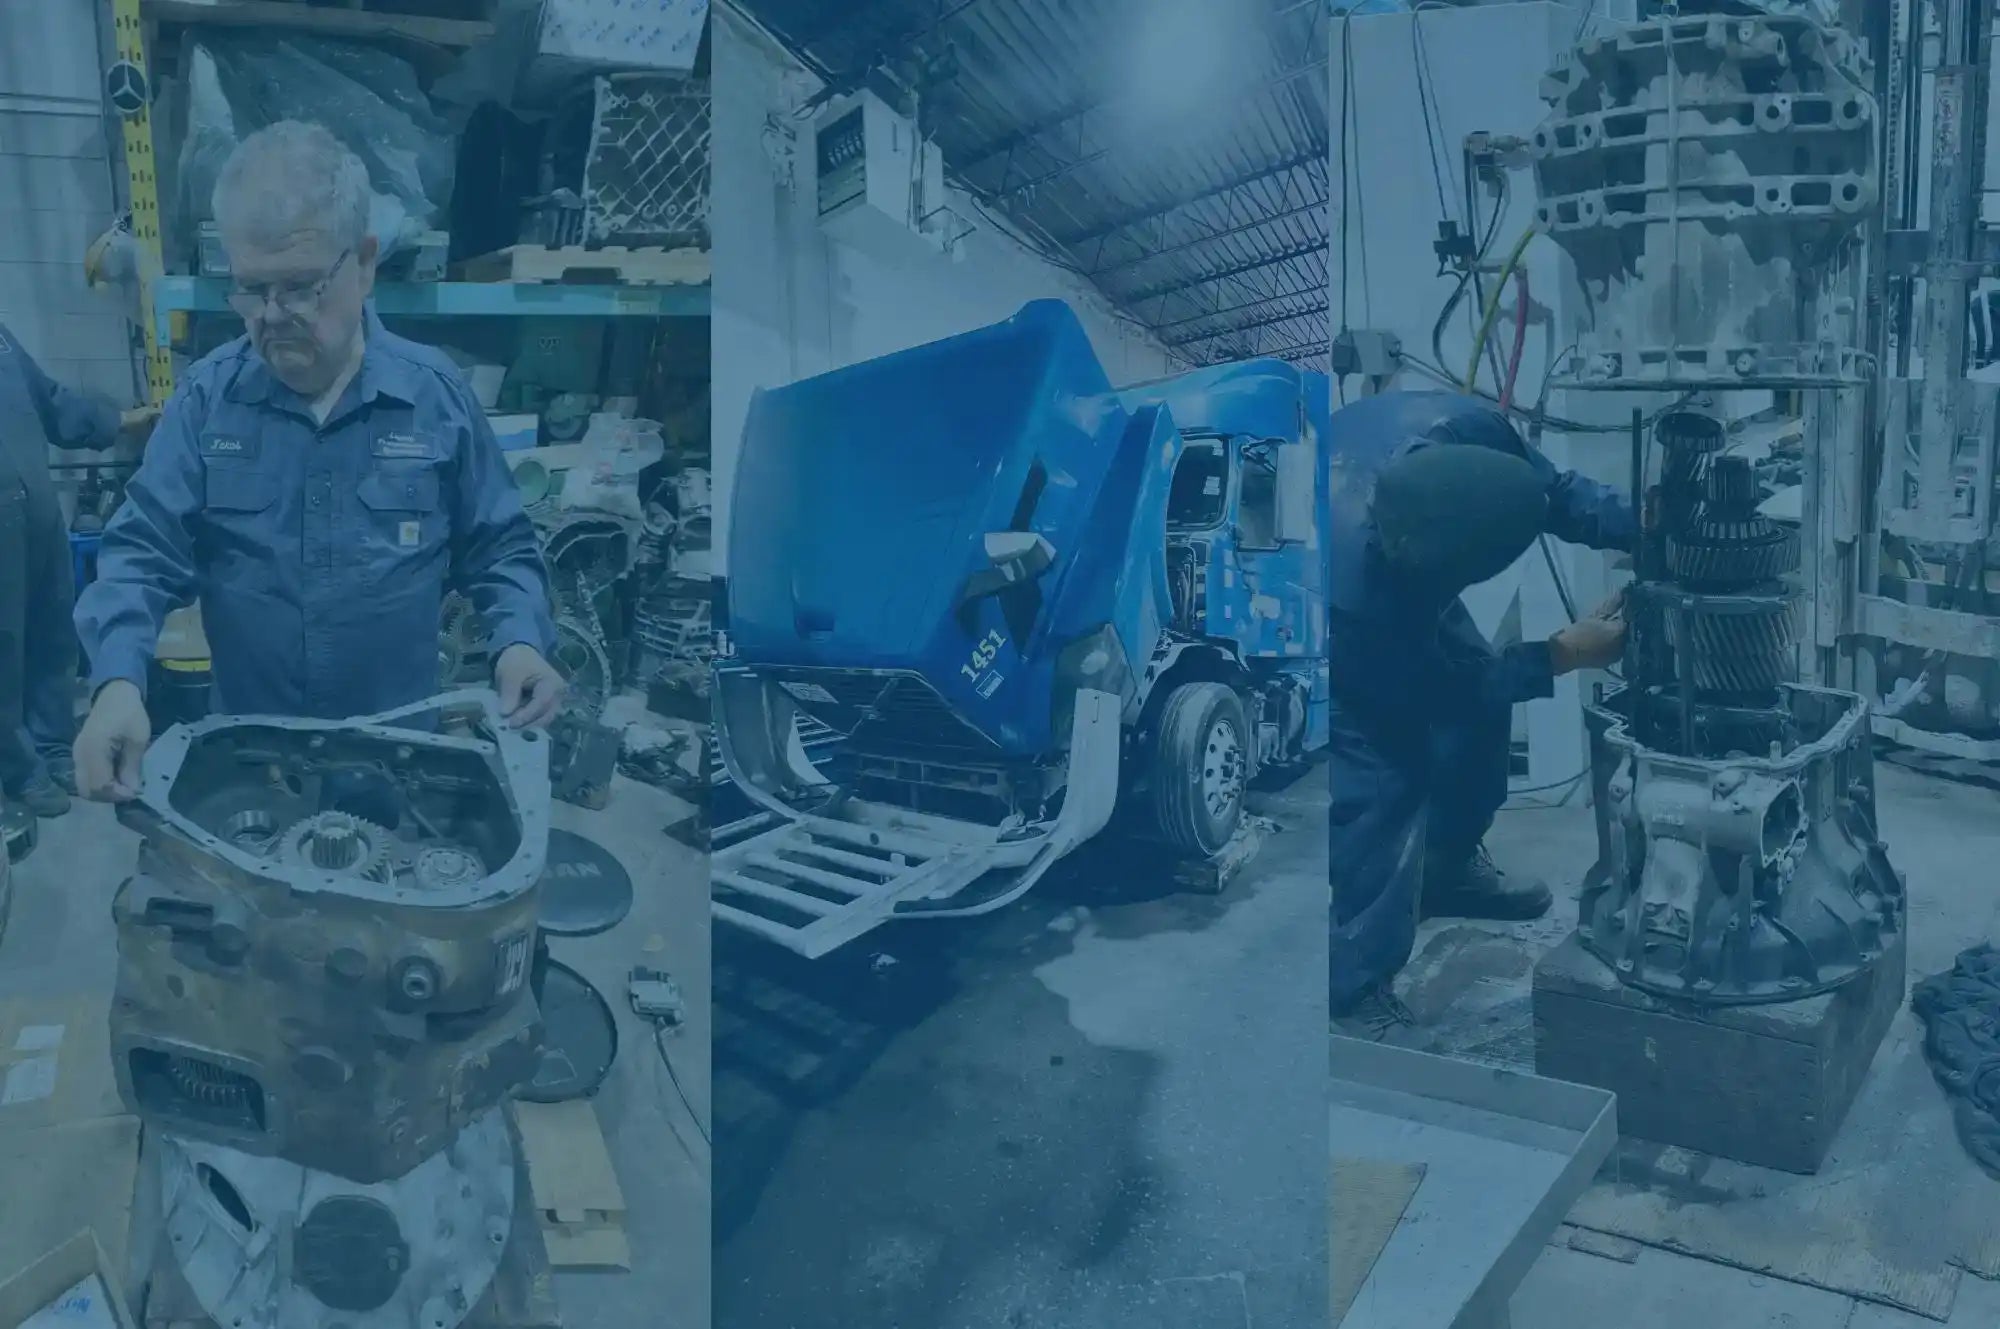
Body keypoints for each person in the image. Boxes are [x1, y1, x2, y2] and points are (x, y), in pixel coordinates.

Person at [73, 120, 565, 802]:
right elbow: (139, 552)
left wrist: (519, 642)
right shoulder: (208, 403)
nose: (271, 316)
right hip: (249, 761)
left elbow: (501, 545)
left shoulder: (436, 399)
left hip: (397, 762)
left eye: (301, 287)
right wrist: (118, 684)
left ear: (364, 263)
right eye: (251, 289)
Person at [1326, 389, 1634, 1028]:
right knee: (1389, 769)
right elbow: (1445, 695)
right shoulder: (1354, 602)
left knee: (1485, 709)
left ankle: (1449, 861)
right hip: (1335, 612)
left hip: (1392, 571)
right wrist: (1562, 653)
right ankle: (1353, 982)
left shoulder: (1467, 430)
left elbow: (1560, 494)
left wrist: (1644, 525)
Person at [0, 322, 156, 818]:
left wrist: (123, 421)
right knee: (3, 651)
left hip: (38, 515)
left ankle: (51, 746)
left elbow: (52, 402)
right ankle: (18, 771)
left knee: (53, 637)